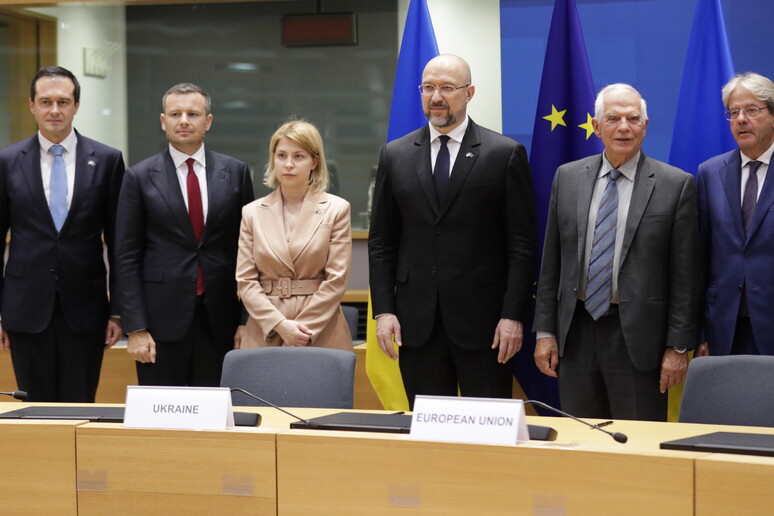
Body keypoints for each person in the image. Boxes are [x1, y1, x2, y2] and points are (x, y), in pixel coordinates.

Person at [368, 54, 537, 408]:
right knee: (429, 431)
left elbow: (521, 245)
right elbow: (382, 242)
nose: (436, 97)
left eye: (447, 87)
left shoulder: (504, 154)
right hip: (416, 325)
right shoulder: (395, 155)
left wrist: (512, 316)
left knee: (488, 430)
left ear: (469, 92)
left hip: (486, 326)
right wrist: (384, 311)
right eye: (428, 88)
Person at [533, 83, 700, 421]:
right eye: (613, 119)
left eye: (633, 118)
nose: (624, 127)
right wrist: (546, 332)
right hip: (575, 334)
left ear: (645, 125)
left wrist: (678, 347)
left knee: (638, 441)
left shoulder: (675, 184)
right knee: (582, 437)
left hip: (639, 341)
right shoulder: (567, 177)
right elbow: (552, 263)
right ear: (597, 126)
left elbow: (687, 278)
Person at [0, 66, 125, 402]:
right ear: (32, 105)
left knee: (80, 405)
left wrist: (118, 312)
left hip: (86, 310)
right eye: (46, 102)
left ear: (76, 106)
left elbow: (120, 244)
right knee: (33, 410)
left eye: (63, 102)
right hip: (24, 310)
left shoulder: (108, 160)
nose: (54, 110)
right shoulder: (7, 161)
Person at [116, 82, 254, 386]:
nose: (184, 121)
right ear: (163, 121)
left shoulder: (236, 172)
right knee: (162, 411)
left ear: (208, 121)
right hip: (158, 326)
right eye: (175, 114)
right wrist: (135, 328)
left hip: (221, 322)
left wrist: (247, 321)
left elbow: (249, 252)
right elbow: (126, 257)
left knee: (216, 410)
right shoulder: (139, 177)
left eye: (193, 114)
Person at [236, 120, 352, 350]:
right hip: (266, 329)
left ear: (314, 162)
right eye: (281, 156)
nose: (288, 164)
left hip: (320, 330)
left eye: (298, 156)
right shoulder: (251, 212)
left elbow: (336, 280)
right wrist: (281, 326)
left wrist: (300, 332)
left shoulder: (337, 209)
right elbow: (246, 281)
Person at [696, 73, 774, 357]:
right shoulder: (710, 173)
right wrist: (700, 333)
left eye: (751, 110)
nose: (741, 119)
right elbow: (699, 258)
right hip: (723, 329)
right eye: (734, 112)